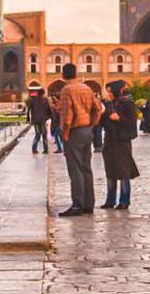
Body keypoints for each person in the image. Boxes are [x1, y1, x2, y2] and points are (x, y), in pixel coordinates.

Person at [58, 63, 102, 217]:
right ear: (76, 73)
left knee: (75, 169)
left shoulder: (67, 90)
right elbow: (98, 109)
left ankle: (77, 204)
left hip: (74, 132)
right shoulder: (86, 88)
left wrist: (65, 133)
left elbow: (67, 115)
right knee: (86, 168)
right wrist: (92, 124)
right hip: (87, 131)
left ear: (63, 75)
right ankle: (88, 204)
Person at [100, 81, 140, 210]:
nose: (109, 94)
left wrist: (119, 119)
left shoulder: (127, 104)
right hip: (109, 140)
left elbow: (132, 124)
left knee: (123, 172)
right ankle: (110, 200)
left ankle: (124, 200)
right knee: (110, 171)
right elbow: (105, 121)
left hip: (122, 142)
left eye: (111, 91)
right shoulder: (111, 104)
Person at [26, 89, 52, 154]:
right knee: (44, 135)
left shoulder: (33, 100)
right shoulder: (45, 100)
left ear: (37, 93)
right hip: (43, 120)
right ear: (43, 93)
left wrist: (28, 118)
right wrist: (50, 117)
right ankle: (45, 150)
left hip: (36, 120)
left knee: (37, 134)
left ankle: (34, 149)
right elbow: (49, 109)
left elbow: (28, 109)